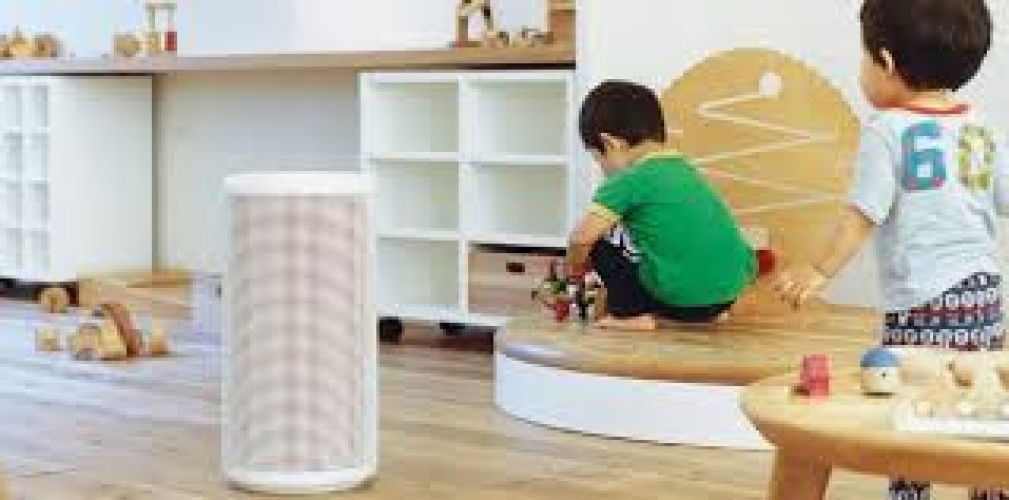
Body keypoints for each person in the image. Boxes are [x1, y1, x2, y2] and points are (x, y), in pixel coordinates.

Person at [774, 0, 1005, 498]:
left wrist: (819, 270)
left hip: (922, 302)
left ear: (887, 61)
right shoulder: (981, 126)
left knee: (912, 405)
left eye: (863, 56)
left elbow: (861, 216)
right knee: (981, 400)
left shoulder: (887, 130)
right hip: (984, 296)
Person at [567, 80, 756, 330]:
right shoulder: (684, 169)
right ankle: (709, 314)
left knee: (600, 243)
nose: (602, 169)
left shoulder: (628, 179)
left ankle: (630, 316)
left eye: (598, 159)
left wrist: (575, 269)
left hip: (680, 300)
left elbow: (581, 239)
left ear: (611, 144)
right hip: (727, 294)